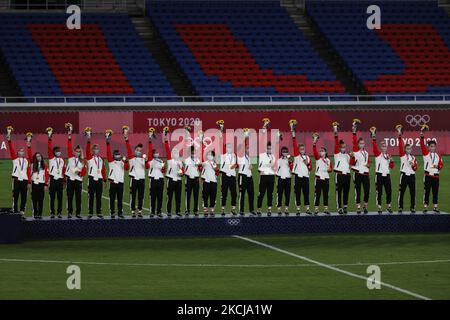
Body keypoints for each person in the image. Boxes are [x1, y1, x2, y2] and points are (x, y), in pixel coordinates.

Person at [420, 127, 443, 213]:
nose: (433, 148)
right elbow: (422, 145)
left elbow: (441, 164)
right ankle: (425, 206)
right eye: (431, 146)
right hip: (428, 175)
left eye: (434, 146)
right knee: (427, 192)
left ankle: (435, 207)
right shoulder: (426, 154)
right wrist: (422, 134)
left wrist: (438, 167)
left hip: (436, 176)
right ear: (428, 147)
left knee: (435, 192)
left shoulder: (438, 155)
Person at [7, 133, 31, 217]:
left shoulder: (27, 160)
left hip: (24, 180)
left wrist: (29, 182)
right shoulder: (15, 159)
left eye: (22, 151)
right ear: (17, 152)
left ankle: (22, 210)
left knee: (24, 196)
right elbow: (11, 149)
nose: (22, 152)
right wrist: (9, 140)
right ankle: (15, 210)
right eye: (20, 151)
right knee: (15, 195)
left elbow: (28, 171)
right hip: (16, 179)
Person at [371, 129, 394, 214]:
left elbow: (392, 167)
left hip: (387, 175)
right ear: (381, 147)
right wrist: (374, 137)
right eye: (383, 146)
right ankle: (379, 207)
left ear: (386, 147)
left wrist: (391, 161)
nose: (384, 147)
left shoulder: (388, 155)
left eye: (385, 146)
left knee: (389, 191)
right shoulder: (378, 154)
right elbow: (374, 146)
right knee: (379, 191)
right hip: (379, 175)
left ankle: (389, 206)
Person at [125, 134, 148, 218]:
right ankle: (133, 211)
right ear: (134, 150)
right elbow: (128, 148)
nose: (139, 151)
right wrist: (126, 139)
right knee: (133, 196)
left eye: (140, 150)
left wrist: (146, 161)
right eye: (137, 150)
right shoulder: (131, 158)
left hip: (142, 180)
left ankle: (140, 211)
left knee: (141, 196)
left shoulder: (143, 159)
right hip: (134, 179)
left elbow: (147, 167)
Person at [106, 135, 129, 219]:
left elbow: (126, 168)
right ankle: (112, 212)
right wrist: (107, 143)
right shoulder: (111, 161)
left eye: (118, 154)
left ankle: (120, 213)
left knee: (120, 199)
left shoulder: (122, 162)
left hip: (120, 183)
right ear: (113, 155)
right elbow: (108, 153)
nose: (118, 155)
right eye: (116, 154)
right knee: (112, 199)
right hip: (113, 183)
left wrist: (126, 161)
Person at [350, 121, 371, 214]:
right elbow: (354, 140)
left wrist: (369, 164)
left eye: (363, 143)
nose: (362, 144)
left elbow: (369, 162)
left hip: (366, 173)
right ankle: (358, 207)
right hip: (358, 173)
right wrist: (354, 131)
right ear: (358, 144)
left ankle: (365, 206)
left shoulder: (366, 153)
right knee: (358, 191)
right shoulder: (355, 150)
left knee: (367, 191)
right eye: (360, 143)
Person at [397, 128, 417, 214]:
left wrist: (413, 166)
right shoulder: (402, 155)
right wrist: (399, 136)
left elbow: (416, 168)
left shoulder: (414, 158)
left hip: (412, 176)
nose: (409, 149)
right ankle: (400, 207)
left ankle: (412, 207)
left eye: (410, 148)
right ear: (405, 149)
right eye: (407, 148)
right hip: (404, 176)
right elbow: (400, 146)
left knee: (413, 193)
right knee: (402, 192)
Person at [65, 134, 86, 219]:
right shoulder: (70, 158)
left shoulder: (82, 161)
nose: (77, 152)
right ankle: (70, 212)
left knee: (78, 198)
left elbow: (84, 171)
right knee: (70, 197)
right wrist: (69, 137)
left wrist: (79, 173)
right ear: (74, 151)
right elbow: (69, 147)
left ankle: (78, 213)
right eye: (76, 151)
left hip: (78, 180)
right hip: (70, 179)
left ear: (80, 152)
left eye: (79, 151)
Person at [292, 132, 312, 215]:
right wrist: (293, 135)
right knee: (298, 193)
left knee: (306, 193)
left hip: (305, 177)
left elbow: (310, 168)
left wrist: (307, 164)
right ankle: (298, 209)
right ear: (298, 149)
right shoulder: (296, 156)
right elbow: (294, 144)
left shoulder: (307, 157)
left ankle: (307, 209)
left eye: (303, 149)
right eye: (301, 149)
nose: (302, 150)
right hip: (298, 176)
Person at [86, 136, 106, 218]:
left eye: (98, 149)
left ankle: (99, 212)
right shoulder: (89, 157)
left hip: (100, 179)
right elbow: (87, 150)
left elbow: (103, 170)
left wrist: (104, 180)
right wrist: (88, 140)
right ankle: (90, 212)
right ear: (92, 150)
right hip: (91, 178)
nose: (96, 150)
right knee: (91, 196)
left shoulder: (101, 159)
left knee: (99, 196)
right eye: (95, 149)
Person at [333, 124, 351, 215]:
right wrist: (336, 132)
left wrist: (353, 156)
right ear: (339, 147)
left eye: (344, 146)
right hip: (339, 174)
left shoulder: (348, 155)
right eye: (342, 146)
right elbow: (336, 142)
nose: (344, 148)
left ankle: (345, 206)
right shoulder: (337, 153)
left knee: (346, 192)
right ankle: (339, 207)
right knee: (339, 192)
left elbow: (352, 164)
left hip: (347, 175)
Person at [312, 134, 332, 215]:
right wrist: (314, 143)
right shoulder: (318, 158)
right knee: (317, 194)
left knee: (326, 194)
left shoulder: (328, 160)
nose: (321, 152)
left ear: (326, 152)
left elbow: (331, 169)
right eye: (320, 151)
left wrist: (329, 169)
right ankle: (316, 209)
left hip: (326, 178)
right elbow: (314, 151)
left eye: (322, 151)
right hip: (319, 179)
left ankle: (326, 209)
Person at [164, 136, 184, 217]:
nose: (176, 154)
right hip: (171, 180)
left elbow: (183, 171)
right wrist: (166, 141)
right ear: (172, 154)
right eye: (174, 153)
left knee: (178, 197)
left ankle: (178, 211)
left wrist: (182, 173)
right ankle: (169, 211)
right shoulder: (170, 160)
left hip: (179, 180)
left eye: (177, 153)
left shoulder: (180, 162)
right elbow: (167, 150)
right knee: (170, 197)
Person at [47, 132, 65, 218]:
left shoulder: (62, 160)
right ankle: (52, 212)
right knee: (53, 197)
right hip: (53, 180)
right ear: (54, 152)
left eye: (59, 151)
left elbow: (64, 170)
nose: (59, 152)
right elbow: (49, 148)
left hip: (60, 180)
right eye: (57, 151)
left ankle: (59, 212)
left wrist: (64, 180)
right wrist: (49, 138)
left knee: (60, 197)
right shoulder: (51, 158)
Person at [28, 147, 49, 219]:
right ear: (35, 158)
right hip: (34, 184)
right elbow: (30, 154)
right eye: (37, 156)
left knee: (40, 200)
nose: (38, 157)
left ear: (41, 157)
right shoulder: (33, 165)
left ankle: (40, 213)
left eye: (39, 156)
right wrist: (29, 147)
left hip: (41, 184)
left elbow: (47, 175)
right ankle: (35, 213)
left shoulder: (45, 165)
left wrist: (46, 184)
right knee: (34, 199)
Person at [220, 135, 238, 216]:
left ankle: (233, 209)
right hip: (225, 176)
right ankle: (223, 209)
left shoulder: (234, 155)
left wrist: (235, 165)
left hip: (232, 176)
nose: (229, 148)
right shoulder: (223, 156)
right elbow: (226, 166)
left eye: (230, 147)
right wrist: (232, 166)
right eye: (227, 147)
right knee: (224, 193)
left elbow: (235, 165)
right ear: (225, 148)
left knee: (234, 193)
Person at [257, 142, 276, 216]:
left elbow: (274, 167)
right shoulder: (262, 155)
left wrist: (271, 166)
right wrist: (268, 165)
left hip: (271, 176)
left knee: (270, 194)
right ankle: (258, 209)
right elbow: (260, 166)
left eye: (271, 149)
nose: (269, 150)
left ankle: (269, 209)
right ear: (266, 149)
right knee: (261, 193)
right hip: (263, 176)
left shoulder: (273, 157)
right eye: (268, 148)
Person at [201, 137, 219, 217]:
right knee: (205, 196)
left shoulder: (214, 163)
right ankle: (205, 210)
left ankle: (212, 210)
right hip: (206, 181)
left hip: (213, 182)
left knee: (213, 196)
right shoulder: (205, 162)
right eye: (208, 155)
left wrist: (212, 163)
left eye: (211, 155)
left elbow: (216, 169)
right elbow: (200, 164)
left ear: (213, 156)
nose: (209, 156)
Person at [148, 136, 165, 218]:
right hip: (153, 180)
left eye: (157, 153)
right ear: (152, 154)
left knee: (160, 197)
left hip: (160, 180)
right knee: (153, 197)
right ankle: (152, 211)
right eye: (155, 153)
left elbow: (163, 171)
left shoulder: (161, 161)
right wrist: (150, 140)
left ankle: (159, 211)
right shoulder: (150, 161)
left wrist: (163, 168)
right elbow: (150, 151)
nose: (157, 154)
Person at [237, 135, 254, 216]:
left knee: (251, 193)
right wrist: (245, 137)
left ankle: (251, 210)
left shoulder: (249, 157)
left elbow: (250, 166)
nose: (248, 149)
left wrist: (251, 167)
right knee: (242, 194)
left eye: (249, 148)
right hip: (242, 176)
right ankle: (241, 210)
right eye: (247, 148)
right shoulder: (240, 155)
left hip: (249, 177)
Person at [184, 145, 201, 217]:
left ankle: (196, 210)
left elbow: (200, 168)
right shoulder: (186, 160)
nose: (193, 152)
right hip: (188, 179)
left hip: (196, 179)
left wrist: (199, 166)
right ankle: (187, 210)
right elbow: (185, 170)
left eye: (194, 151)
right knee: (188, 195)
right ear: (189, 152)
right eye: (191, 151)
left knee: (196, 195)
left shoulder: (198, 159)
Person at [276, 146, 292, 216]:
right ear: (281, 153)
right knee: (279, 194)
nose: (285, 153)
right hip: (280, 178)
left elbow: (292, 169)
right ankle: (279, 208)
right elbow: (276, 169)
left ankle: (286, 208)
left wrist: (290, 162)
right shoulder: (279, 160)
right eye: (283, 152)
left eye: (286, 152)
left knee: (287, 194)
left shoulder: (290, 160)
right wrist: (277, 174)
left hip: (288, 178)